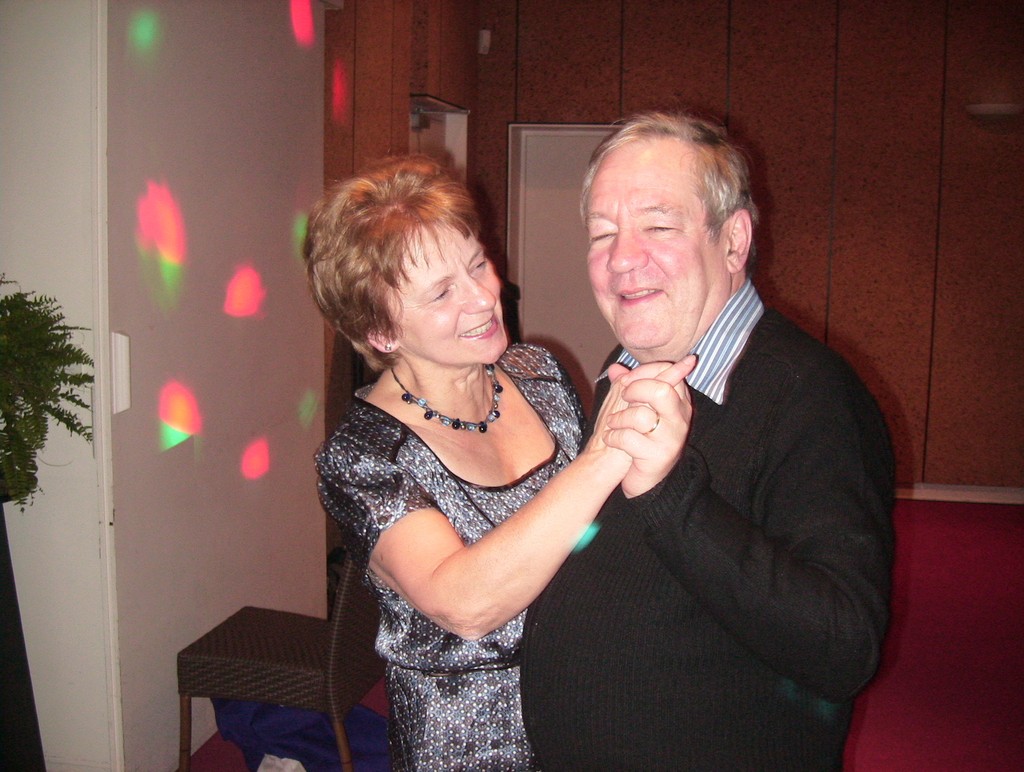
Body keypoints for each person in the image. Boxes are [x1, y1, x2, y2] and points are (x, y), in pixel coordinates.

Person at [520, 112, 896, 770]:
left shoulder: (812, 397)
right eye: (602, 233)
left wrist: (673, 497)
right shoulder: (625, 371)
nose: (620, 259)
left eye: (658, 226)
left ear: (734, 241)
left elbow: (843, 649)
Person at [303, 155, 690, 771]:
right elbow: (463, 604)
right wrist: (606, 453)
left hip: (588, 708)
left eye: (477, 264)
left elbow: (590, 532)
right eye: (442, 292)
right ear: (380, 331)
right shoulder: (365, 456)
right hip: (474, 746)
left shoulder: (538, 373)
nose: (484, 297)